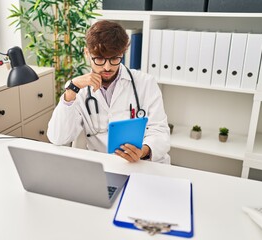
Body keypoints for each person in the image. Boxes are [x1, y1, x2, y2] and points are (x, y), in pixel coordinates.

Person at [47, 20, 170, 163]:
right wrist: (71, 90)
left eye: (114, 59)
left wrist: (143, 151)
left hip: (141, 164)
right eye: (99, 59)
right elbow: (57, 138)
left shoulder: (145, 83)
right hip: (102, 165)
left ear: (122, 54)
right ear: (87, 53)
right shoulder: (76, 89)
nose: (107, 67)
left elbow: (160, 131)